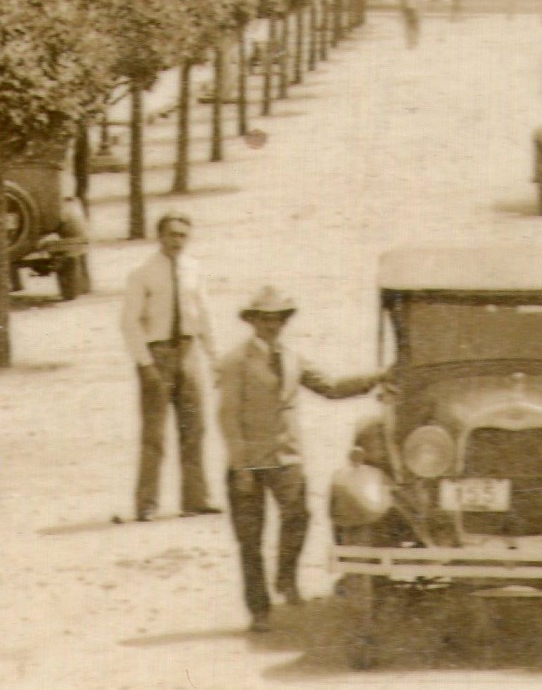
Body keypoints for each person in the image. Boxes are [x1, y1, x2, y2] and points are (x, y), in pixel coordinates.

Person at [217, 289, 374, 632]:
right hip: (248, 461)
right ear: (253, 321)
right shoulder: (234, 363)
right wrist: (240, 466)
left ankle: (285, 579)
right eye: (265, 319)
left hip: (287, 456)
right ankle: (259, 609)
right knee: (250, 539)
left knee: (298, 516)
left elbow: (330, 387)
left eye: (278, 319)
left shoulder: (291, 358)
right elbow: (228, 418)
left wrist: (376, 378)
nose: (272, 325)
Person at [116, 212, 217, 519]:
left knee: (195, 428)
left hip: (188, 352)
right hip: (158, 355)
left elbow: (203, 315)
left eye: (183, 235)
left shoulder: (194, 269)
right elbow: (129, 322)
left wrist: (213, 356)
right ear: (159, 236)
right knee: (154, 434)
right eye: (171, 234)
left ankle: (195, 500)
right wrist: (145, 364)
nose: (177, 241)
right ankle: (147, 505)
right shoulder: (143, 273)